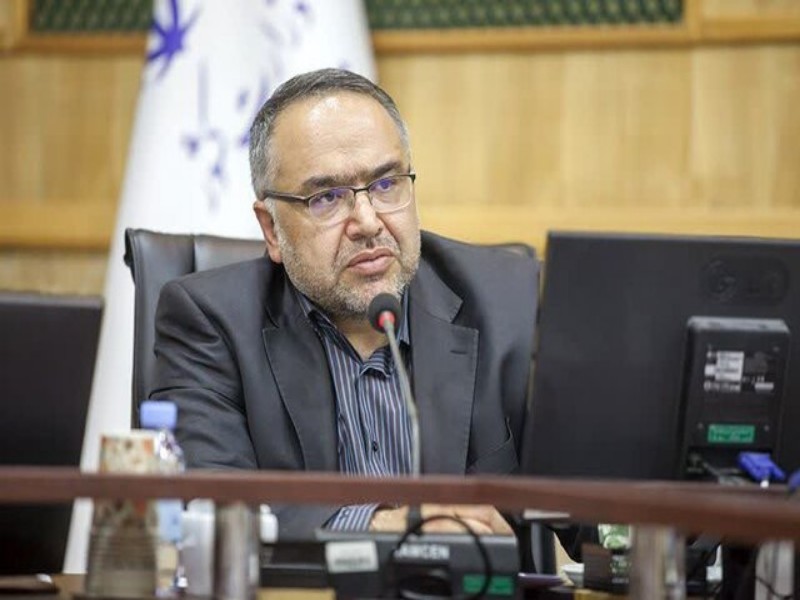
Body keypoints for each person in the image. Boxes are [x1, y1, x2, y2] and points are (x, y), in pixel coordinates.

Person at [150, 68, 538, 540]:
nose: (368, 222)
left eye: (386, 184)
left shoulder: (509, 300)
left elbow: (598, 512)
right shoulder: (209, 321)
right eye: (327, 198)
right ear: (271, 229)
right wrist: (386, 526)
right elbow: (211, 504)